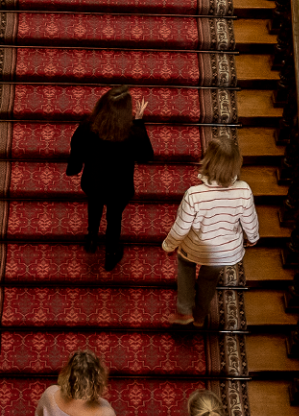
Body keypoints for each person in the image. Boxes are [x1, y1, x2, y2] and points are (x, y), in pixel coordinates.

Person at [162, 138, 259, 326]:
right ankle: (199, 315)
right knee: (209, 278)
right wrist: (252, 238)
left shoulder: (194, 194)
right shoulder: (244, 191)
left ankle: (184, 310)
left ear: (209, 160)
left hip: (196, 246)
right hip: (223, 251)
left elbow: (181, 227)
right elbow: (249, 220)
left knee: (185, 264)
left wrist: (169, 245)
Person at [66, 85, 155, 271]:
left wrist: (74, 168)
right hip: (119, 187)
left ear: (102, 105)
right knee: (114, 218)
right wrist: (139, 122)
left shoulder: (88, 127)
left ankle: (91, 238)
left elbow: (77, 149)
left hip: (93, 182)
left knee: (94, 206)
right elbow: (146, 155)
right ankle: (111, 253)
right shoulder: (132, 133)